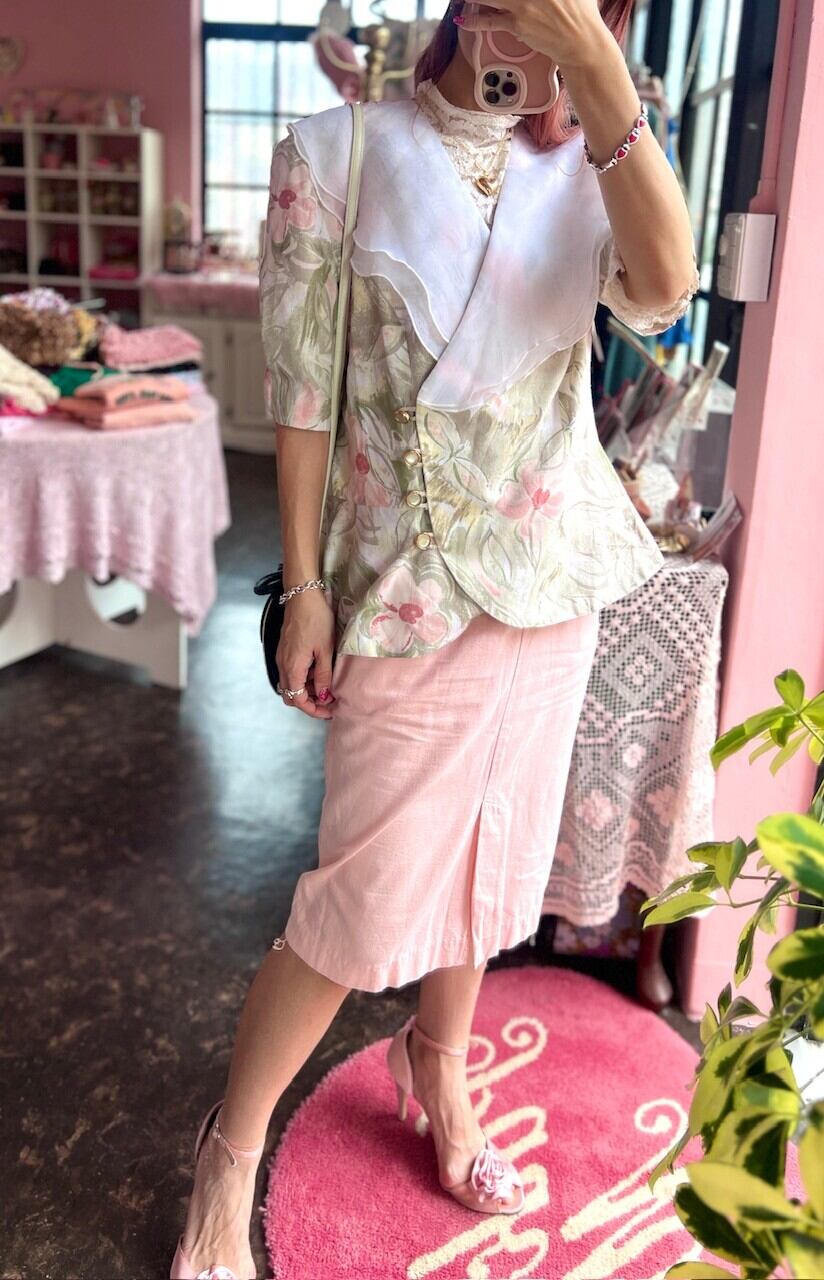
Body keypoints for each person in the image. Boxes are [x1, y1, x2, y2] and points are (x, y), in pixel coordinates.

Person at [171, 1, 698, 1275]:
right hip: (405, 586)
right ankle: (227, 1152)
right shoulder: (334, 150)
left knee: (491, 867)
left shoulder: (601, 156)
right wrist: (304, 586)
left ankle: (440, 1068)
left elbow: (664, 290)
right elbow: (303, 397)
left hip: (550, 579)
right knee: (354, 905)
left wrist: (598, 74)